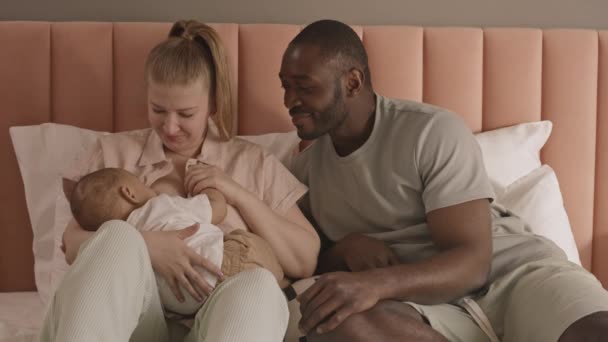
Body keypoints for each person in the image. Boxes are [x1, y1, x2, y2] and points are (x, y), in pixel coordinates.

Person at [280, 19, 608, 342]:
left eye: (305, 87)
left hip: (515, 277)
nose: (289, 101)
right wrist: (342, 250)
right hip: (423, 310)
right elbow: (303, 259)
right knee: (338, 326)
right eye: (286, 86)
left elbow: (473, 263)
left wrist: (375, 283)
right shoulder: (304, 171)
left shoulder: (429, 131)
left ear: (352, 82)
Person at [39, 19, 320, 342]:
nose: (170, 127)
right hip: (136, 322)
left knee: (258, 285)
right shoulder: (111, 156)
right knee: (117, 236)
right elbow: (72, 245)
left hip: (216, 320)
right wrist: (148, 245)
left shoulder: (251, 163)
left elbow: (304, 259)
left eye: (185, 114)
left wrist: (235, 194)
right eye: (158, 110)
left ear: (213, 105)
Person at [68, 167, 285, 316]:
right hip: (222, 265)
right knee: (246, 241)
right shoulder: (159, 205)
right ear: (129, 193)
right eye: (141, 182)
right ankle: (281, 282)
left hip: (187, 306)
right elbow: (217, 210)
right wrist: (210, 189)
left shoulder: (122, 245)